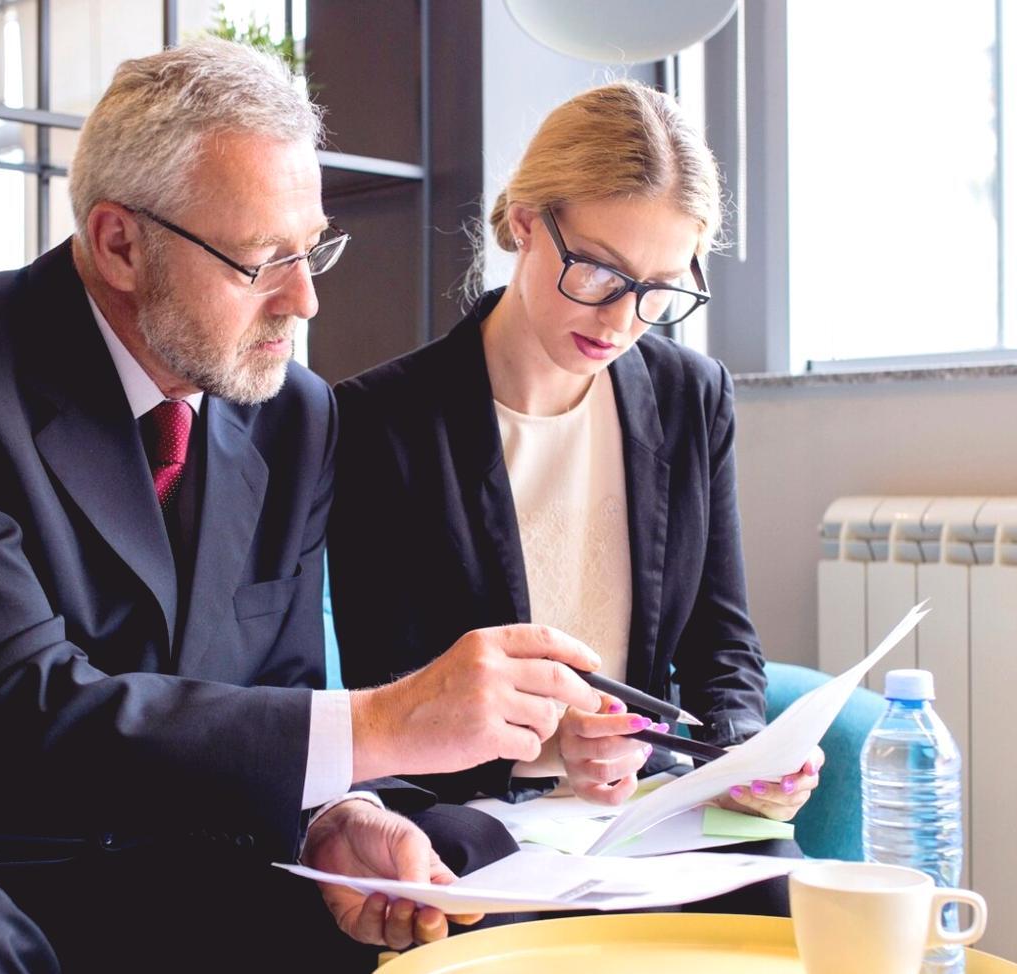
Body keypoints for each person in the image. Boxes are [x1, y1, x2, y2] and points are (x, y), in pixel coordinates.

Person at [0, 38, 606, 974]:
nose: (304, 301)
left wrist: (335, 815)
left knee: (453, 857)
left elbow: (276, 691)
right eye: (261, 260)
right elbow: (15, 708)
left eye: (313, 250)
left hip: (145, 885)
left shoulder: (295, 415)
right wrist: (388, 721)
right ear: (119, 243)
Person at [329, 80, 820, 917]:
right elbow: (390, 693)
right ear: (526, 222)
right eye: (598, 270)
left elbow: (723, 644)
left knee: (781, 896)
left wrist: (743, 756)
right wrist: (548, 746)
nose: (622, 321)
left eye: (660, 288)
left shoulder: (691, 396)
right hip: (474, 808)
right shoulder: (384, 421)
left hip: (643, 809)